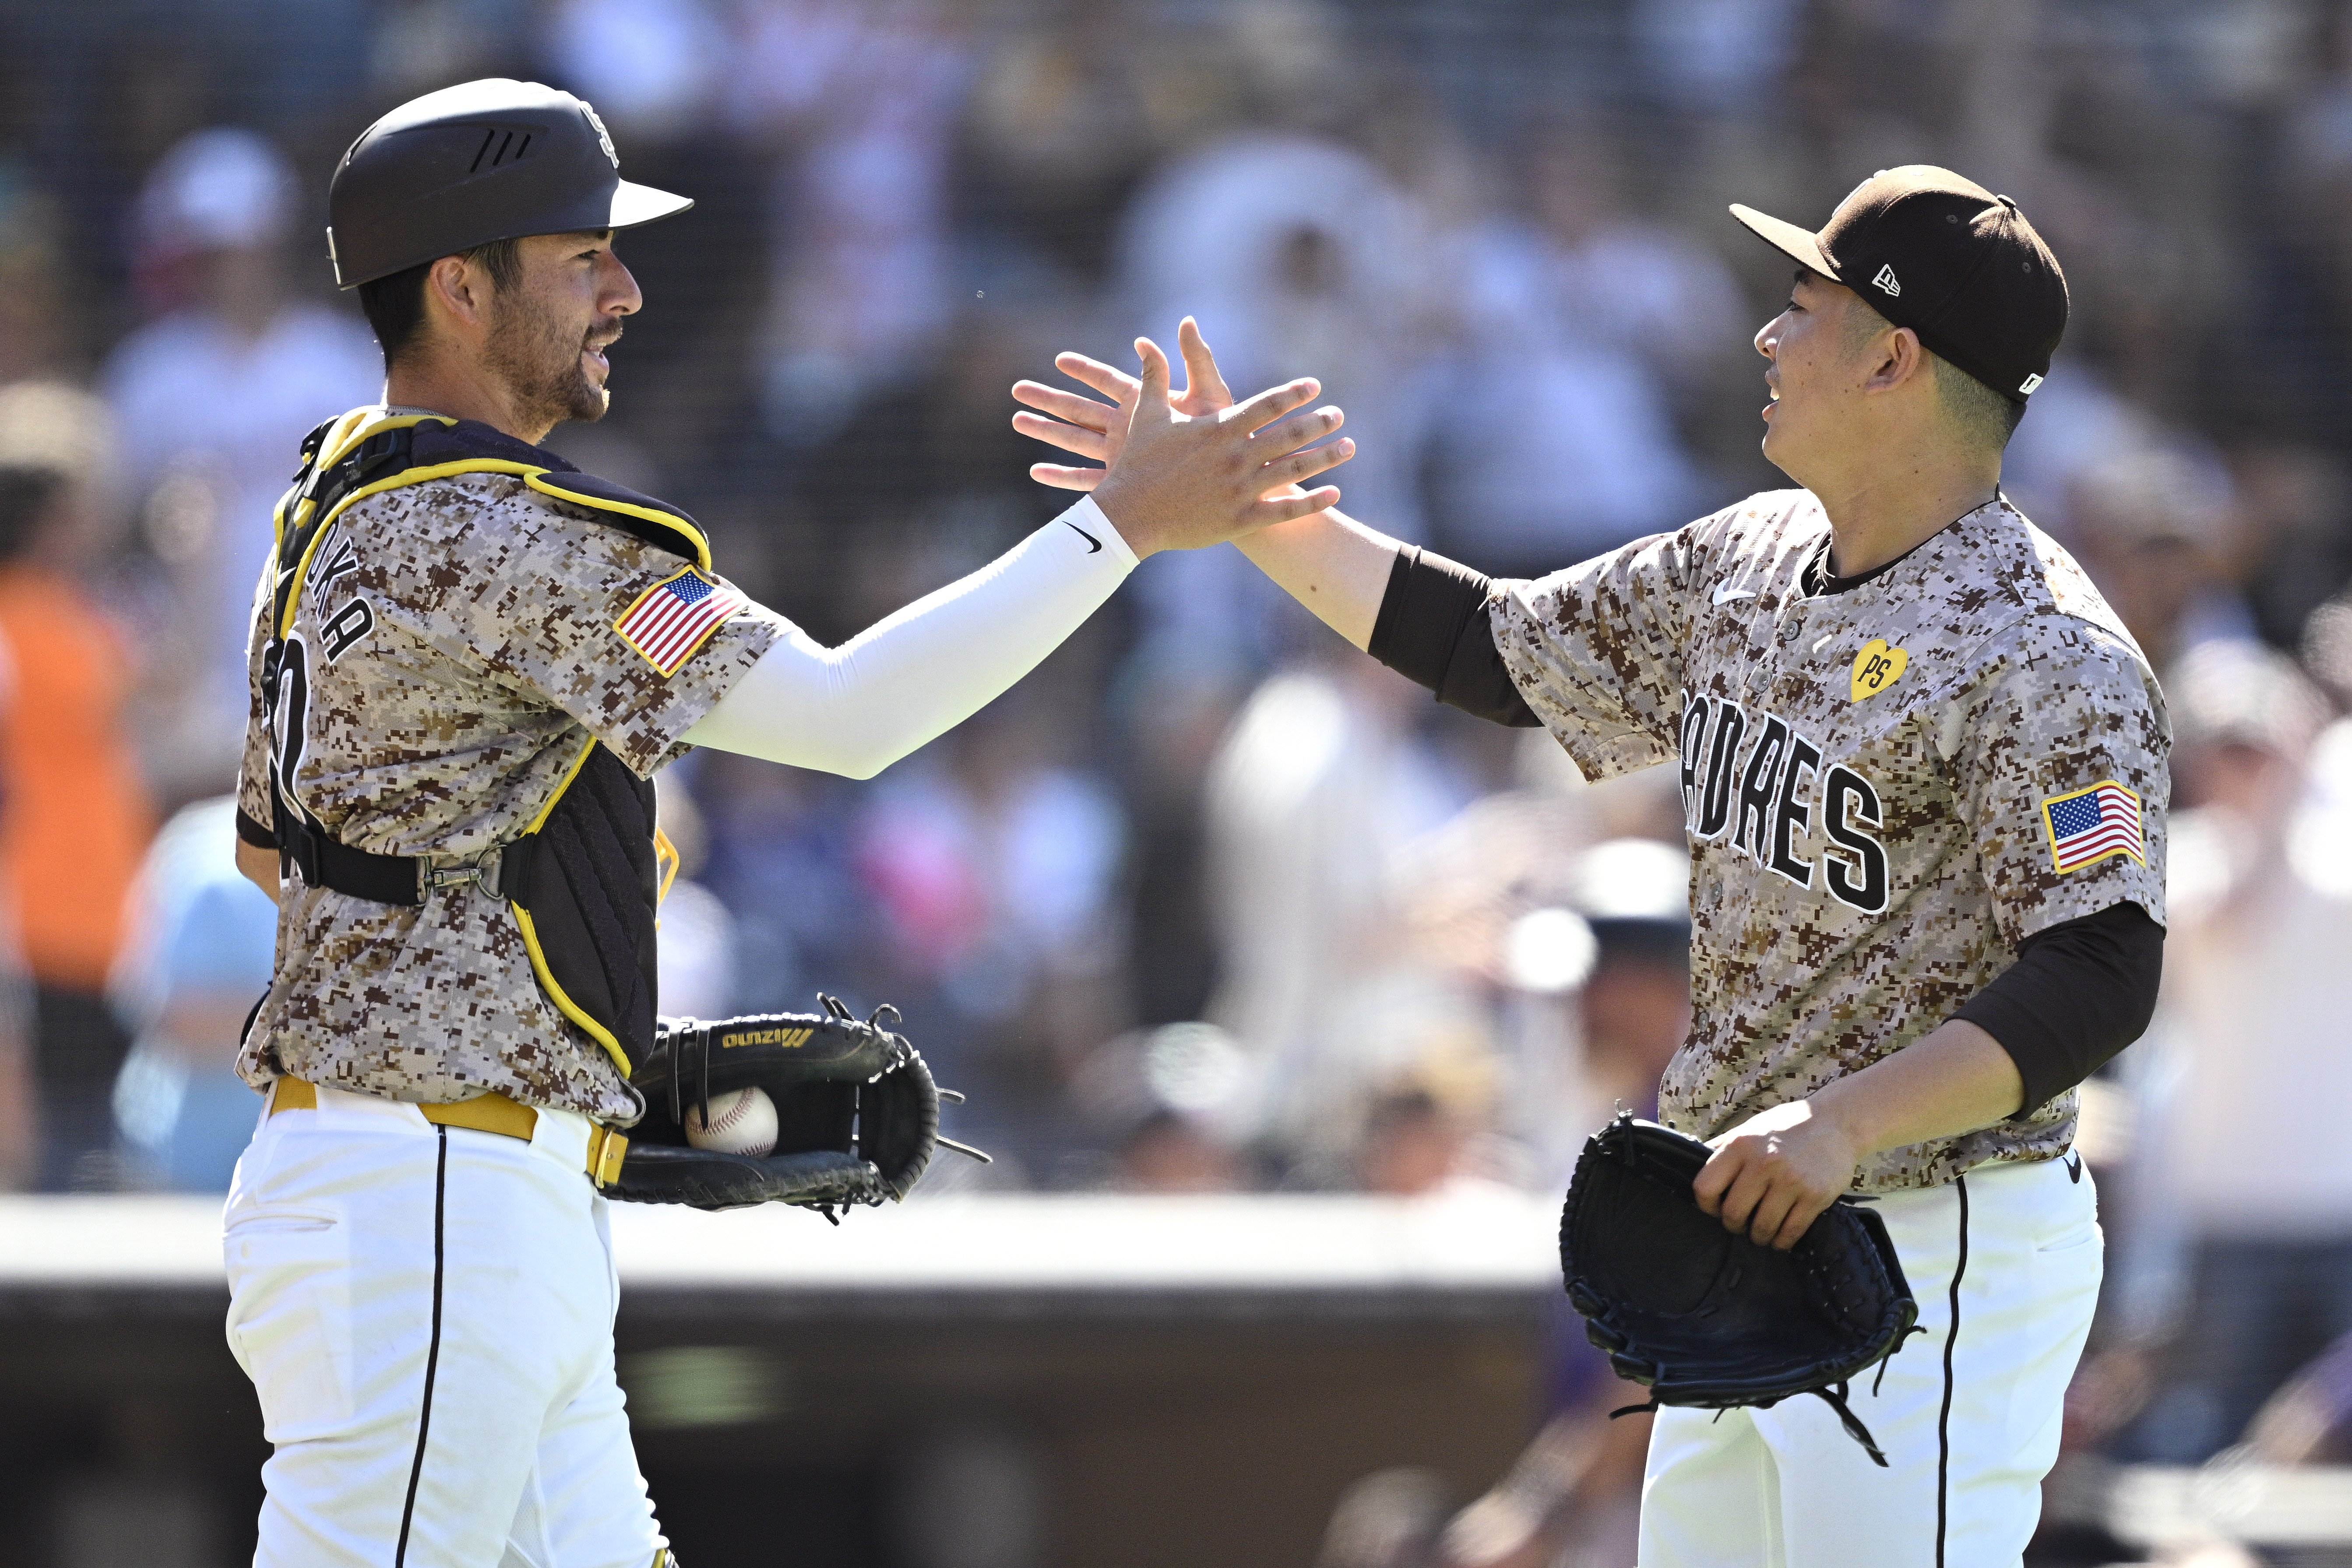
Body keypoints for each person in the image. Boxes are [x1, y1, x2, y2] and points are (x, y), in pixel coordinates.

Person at [225, 78, 1351, 1568]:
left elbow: (276, 855)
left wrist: (560, 1047)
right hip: (435, 1197)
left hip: (453, 1181)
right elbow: (848, 715)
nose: (626, 288)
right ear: (457, 284)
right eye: (583, 258)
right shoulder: (503, 526)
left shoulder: (336, 508)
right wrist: (1123, 522)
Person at [1017, 166, 2169, 1564]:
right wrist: (1253, 508)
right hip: (1742, 1234)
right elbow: (1495, 649)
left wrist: (1851, 1120)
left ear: (1891, 355)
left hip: (1934, 1236)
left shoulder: (2045, 650)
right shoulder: (1750, 555)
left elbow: (2102, 968)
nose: (1766, 335)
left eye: (1799, 305)